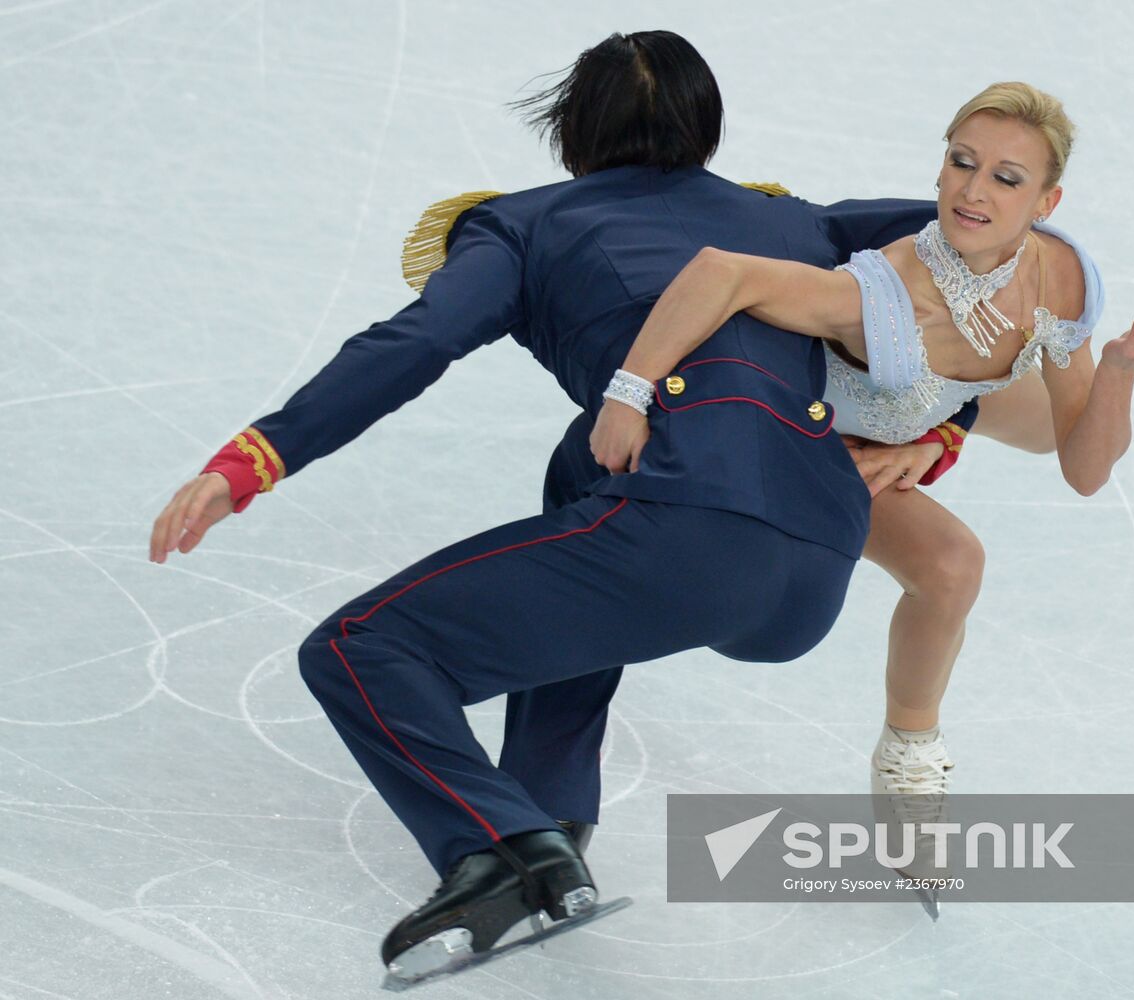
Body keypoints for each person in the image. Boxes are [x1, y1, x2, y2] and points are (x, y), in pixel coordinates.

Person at [147, 31, 972, 982]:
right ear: (705, 128)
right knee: (581, 464)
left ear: (571, 132)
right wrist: (939, 433)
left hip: (687, 536)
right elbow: (1000, 262)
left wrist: (252, 461)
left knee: (360, 650)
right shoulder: (806, 227)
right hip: (816, 562)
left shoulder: (525, 225)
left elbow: (411, 346)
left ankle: (498, 852)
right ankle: (551, 810)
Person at [590, 81, 1134, 840]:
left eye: (1005, 178)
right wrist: (626, 393)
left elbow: (1083, 471)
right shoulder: (880, 297)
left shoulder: (1057, 275)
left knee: (1048, 420)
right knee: (952, 564)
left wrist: (1114, 373)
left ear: (1046, 203)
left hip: (919, 407)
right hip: (813, 440)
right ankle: (909, 753)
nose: (973, 191)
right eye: (961, 163)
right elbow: (723, 272)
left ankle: (939, 432)